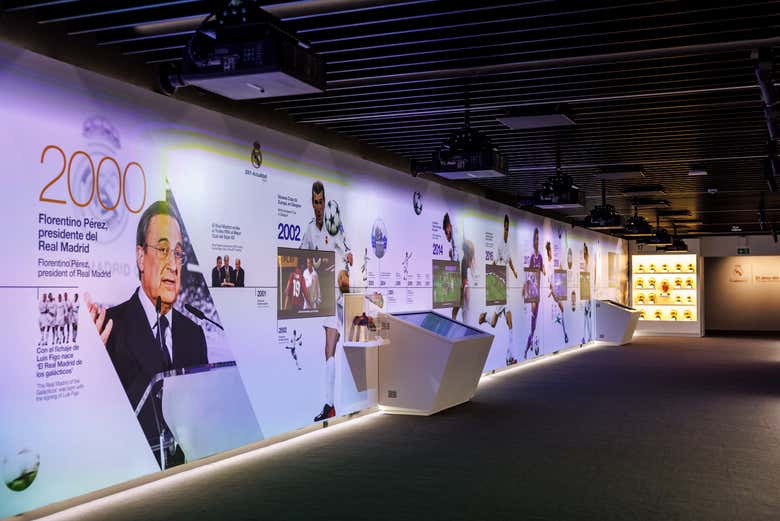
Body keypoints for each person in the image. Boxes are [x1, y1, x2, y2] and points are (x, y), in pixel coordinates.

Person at [86, 200, 208, 468]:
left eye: (178, 253)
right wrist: (89, 361)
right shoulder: (109, 329)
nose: (173, 264)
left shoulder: (194, 335)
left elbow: (203, 416)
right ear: (141, 257)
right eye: (163, 250)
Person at [300, 180, 353, 422]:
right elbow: (301, 256)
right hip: (326, 295)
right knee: (329, 349)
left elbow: (347, 248)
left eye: (321, 201)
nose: (319, 206)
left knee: (338, 345)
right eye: (315, 202)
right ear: (311, 203)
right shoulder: (310, 229)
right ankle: (330, 405)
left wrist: (349, 256)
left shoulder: (335, 226)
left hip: (340, 292)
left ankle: (339, 402)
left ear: (325, 201)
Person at [479, 214, 518, 365]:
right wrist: (489, 276)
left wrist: (514, 271)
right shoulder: (500, 244)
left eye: (508, 228)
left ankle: (510, 356)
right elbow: (495, 261)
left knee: (508, 323)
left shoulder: (507, 245)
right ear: (504, 227)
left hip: (506, 288)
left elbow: (509, 260)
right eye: (506, 227)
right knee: (499, 323)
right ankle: (485, 318)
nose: (507, 230)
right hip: (501, 288)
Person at [524, 228, 544, 359]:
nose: (536, 241)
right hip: (533, 293)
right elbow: (528, 275)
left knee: (534, 323)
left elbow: (542, 270)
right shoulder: (532, 257)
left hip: (538, 293)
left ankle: (529, 345)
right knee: (533, 321)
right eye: (535, 239)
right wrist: (526, 289)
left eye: (538, 239)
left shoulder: (540, 256)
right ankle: (526, 350)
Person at [546, 241, 569, 344]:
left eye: (551, 250)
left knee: (562, 308)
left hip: (557, 288)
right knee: (560, 308)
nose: (551, 252)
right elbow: (550, 281)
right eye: (550, 250)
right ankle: (563, 332)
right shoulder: (548, 264)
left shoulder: (554, 262)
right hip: (554, 290)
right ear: (548, 251)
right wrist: (551, 290)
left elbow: (560, 270)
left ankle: (564, 333)